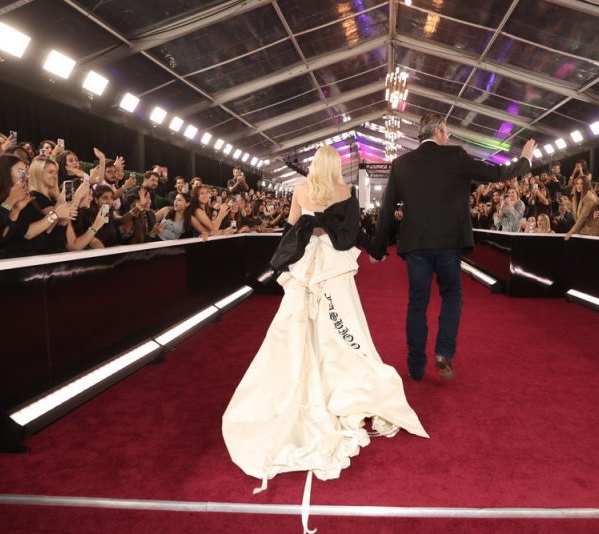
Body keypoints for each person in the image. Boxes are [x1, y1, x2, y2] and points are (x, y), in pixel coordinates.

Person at [222, 145, 428, 533]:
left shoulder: (301, 191)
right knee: (344, 324)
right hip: (333, 266)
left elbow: (290, 228)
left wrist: (305, 234)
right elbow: (351, 234)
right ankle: (341, 382)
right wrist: (374, 248)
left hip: (307, 266)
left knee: (297, 324)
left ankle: (303, 381)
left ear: (314, 166)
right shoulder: (345, 192)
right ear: (337, 167)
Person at [368, 113, 534, 381]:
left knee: (417, 304)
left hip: (415, 245)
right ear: (438, 131)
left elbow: (386, 210)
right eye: (447, 132)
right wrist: (524, 160)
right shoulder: (455, 156)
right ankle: (444, 352)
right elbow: (495, 174)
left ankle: (415, 365)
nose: (448, 137)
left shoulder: (401, 164)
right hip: (449, 243)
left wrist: (377, 248)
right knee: (452, 296)